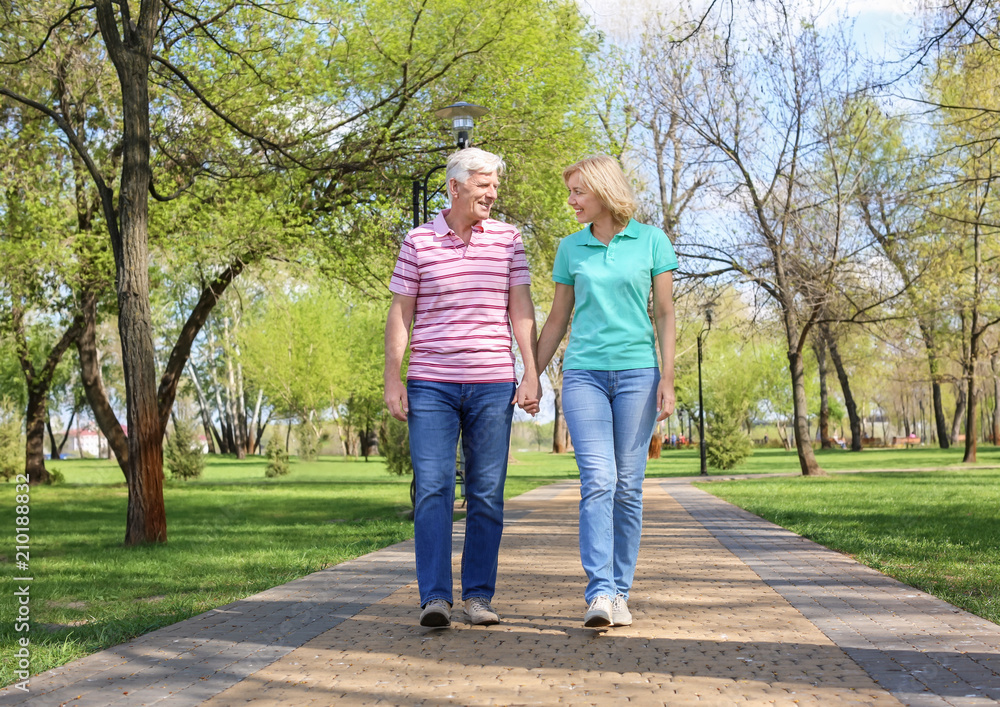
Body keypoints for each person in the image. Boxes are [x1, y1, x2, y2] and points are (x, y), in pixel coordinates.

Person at [384, 147, 541, 628]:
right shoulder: (417, 241)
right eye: (484, 184)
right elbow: (400, 314)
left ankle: (477, 596)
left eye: (495, 185)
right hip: (431, 383)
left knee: (487, 492)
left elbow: (521, 309)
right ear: (455, 187)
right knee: (432, 489)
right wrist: (393, 376)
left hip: (493, 382)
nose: (492, 193)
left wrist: (531, 371)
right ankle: (434, 597)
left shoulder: (509, 239)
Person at [536, 154, 677, 628]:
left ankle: (620, 592)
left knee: (629, 489)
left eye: (579, 191)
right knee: (599, 479)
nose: (571, 200)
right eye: (570, 191)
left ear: (603, 190)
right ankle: (598, 592)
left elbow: (664, 313)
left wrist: (668, 378)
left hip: (639, 375)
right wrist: (530, 372)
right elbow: (558, 318)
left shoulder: (651, 241)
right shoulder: (570, 248)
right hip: (584, 376)